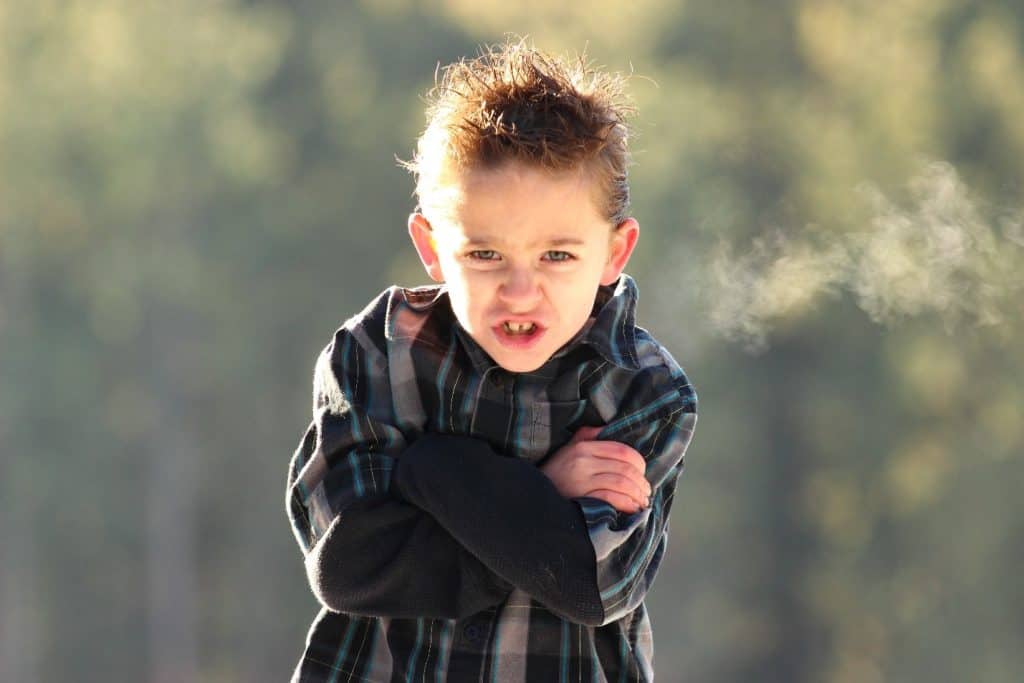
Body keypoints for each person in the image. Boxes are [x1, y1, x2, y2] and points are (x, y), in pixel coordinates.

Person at [286, 37, 698, 682]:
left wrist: (431, 469)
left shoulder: (645, 390)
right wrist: (544, 491)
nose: (520, 291)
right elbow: (352, 568)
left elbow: (589, 586)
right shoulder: (377, 353)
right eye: (485, 255)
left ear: (615, 253)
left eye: (557, 255)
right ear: (431, 245)